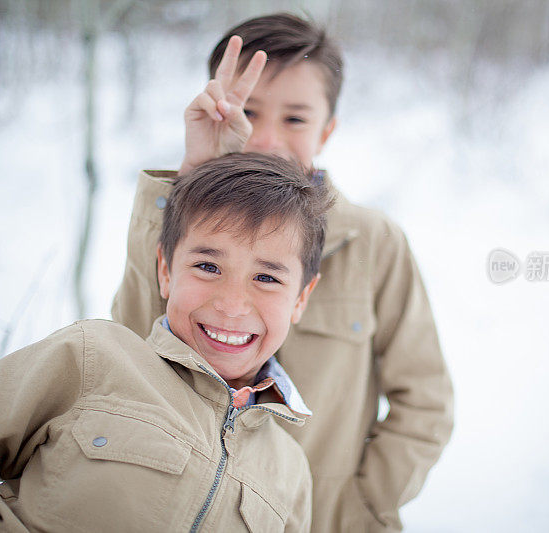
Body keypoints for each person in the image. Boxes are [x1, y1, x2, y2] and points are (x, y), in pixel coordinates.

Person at [112, 13, 455, 531]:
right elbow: (128, 353)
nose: (266, 139)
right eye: (247, 112)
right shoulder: (185, 231)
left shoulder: (374, 243)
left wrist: (360, 506)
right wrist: (189, 182)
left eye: (294, 119)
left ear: (328, 129)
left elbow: (425, 401)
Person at [0, 153, 330, 533]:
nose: (233, 305)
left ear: (301, 298)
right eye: (207, 266)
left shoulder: (291, 472)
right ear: (165, 271)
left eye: (267, 278)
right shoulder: (94, 357)